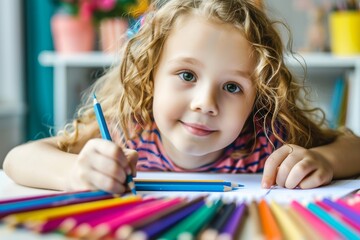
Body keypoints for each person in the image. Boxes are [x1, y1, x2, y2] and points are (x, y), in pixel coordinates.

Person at [4, 0, 360, 193]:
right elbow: (18, 159)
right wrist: (74, 172)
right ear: (150, 75)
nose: (205, 103)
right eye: (187, 75)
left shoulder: (269, 136)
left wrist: (324, 161)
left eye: (233, 87)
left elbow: (353, 147)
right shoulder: (128, 127)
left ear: (260, 98)